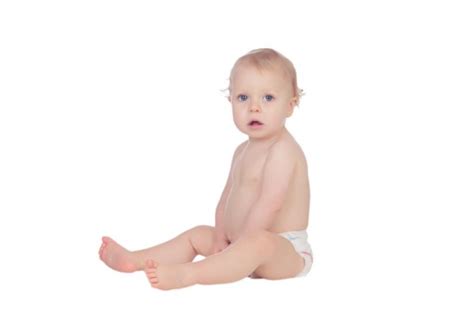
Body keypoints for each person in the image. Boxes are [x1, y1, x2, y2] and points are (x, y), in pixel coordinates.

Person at [98, 48, 313, 290]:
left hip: (283, 249)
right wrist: (221, 236)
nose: (254, 107)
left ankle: (188, 275)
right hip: (236, 244)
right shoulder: (242, 151)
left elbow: (270, 203)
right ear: (230, 100)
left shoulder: (283, 151)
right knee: (198, 234)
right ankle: (134, 260)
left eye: (268, 98)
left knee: (260, 242)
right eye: (243, 98)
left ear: (291, 105)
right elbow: (226, 198)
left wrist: (241, 244)